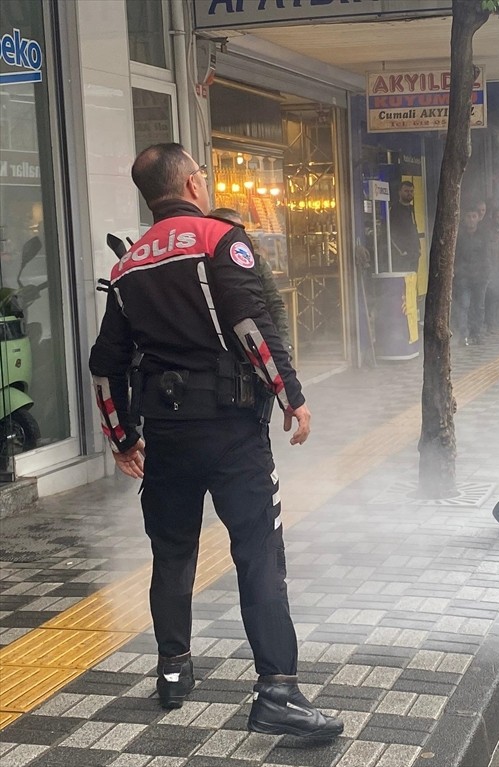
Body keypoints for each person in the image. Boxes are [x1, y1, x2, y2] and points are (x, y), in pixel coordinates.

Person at [88, 143, 341, 742]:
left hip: (167, 438)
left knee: (172, 553)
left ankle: (173, 672)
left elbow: (106, 365)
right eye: (202, 175)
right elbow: (253, 327)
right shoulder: (219, 241)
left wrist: (123, 438)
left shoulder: (128, 267)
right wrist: (292, 397)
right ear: (192, 183)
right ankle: (277, 691)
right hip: (232, 434)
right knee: (257, 552)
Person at [208, 208, 292, 353]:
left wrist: (284, 344)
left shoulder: (256, 262)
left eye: (241, 231)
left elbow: (275, 304)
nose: (238, 236)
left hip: (258, 342)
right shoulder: (204, 264)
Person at [453, 206, 490, 345]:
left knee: (479, 306)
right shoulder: (459, 236)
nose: (471, 220)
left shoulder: (483, 235)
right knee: (464, 305)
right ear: (464, 218)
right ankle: (463, 335)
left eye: (474, 216)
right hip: (463, 276)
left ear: (478, 218)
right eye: (469, 216)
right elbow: (455, 256)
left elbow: (487, 256)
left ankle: (477, 333)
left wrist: (486, 274)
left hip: (480, 277)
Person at [390, 179, 421, 272]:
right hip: (402, 255)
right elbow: (390, 232)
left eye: (411, 191)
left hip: (414, 253)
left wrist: (418, 248)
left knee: (413, 279)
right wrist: (401, 251)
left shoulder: (411, 208)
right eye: (406, 191)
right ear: (399, 192)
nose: (409, 193)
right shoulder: (394, 209)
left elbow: (414, 228)